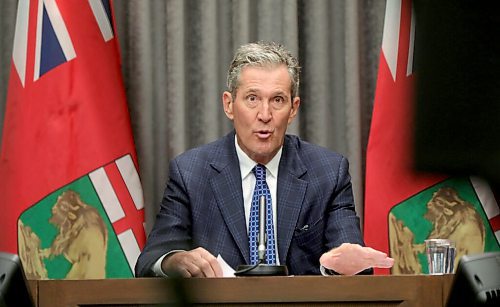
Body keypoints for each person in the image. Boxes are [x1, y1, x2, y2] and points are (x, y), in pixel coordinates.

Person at [135, 41, 394, 277]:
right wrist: (175, 260)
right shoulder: (191, 172)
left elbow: (354, 266)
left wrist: (335, 265)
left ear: (293, 109)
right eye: (252, 99)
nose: (265, 114)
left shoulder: (328, 171)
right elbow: (150, 261)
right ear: (229, 105)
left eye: (277, 100)